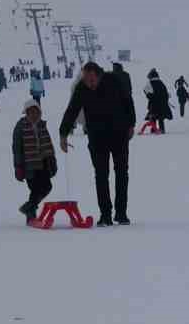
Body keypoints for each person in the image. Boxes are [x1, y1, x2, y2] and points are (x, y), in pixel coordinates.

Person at [58, 61, 136, 227]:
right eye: (86, 80)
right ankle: (105, 215)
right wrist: (63, 134)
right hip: (97, 137)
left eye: (92, 80)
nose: (89, 84)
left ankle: (121, 213)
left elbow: (128, 101)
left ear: (99, 75)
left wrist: (131, 124)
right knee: (101, 175)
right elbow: (72, 110)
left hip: (119, 134)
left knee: (122, 172)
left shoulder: (114, 81)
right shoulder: (81, 88)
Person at [12, 99, 59, 222]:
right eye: (31, 112)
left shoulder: (42, 125)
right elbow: (17, 148)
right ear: (26, 113)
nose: (34, 115)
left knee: (47, 186)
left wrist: (52, 161)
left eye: (36, 112)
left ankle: (29, 208)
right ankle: (30, 214)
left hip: (43, 163)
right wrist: (18, 166)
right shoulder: (20, 127)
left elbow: (49, 144)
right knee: (35, 188)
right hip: (29, 165)